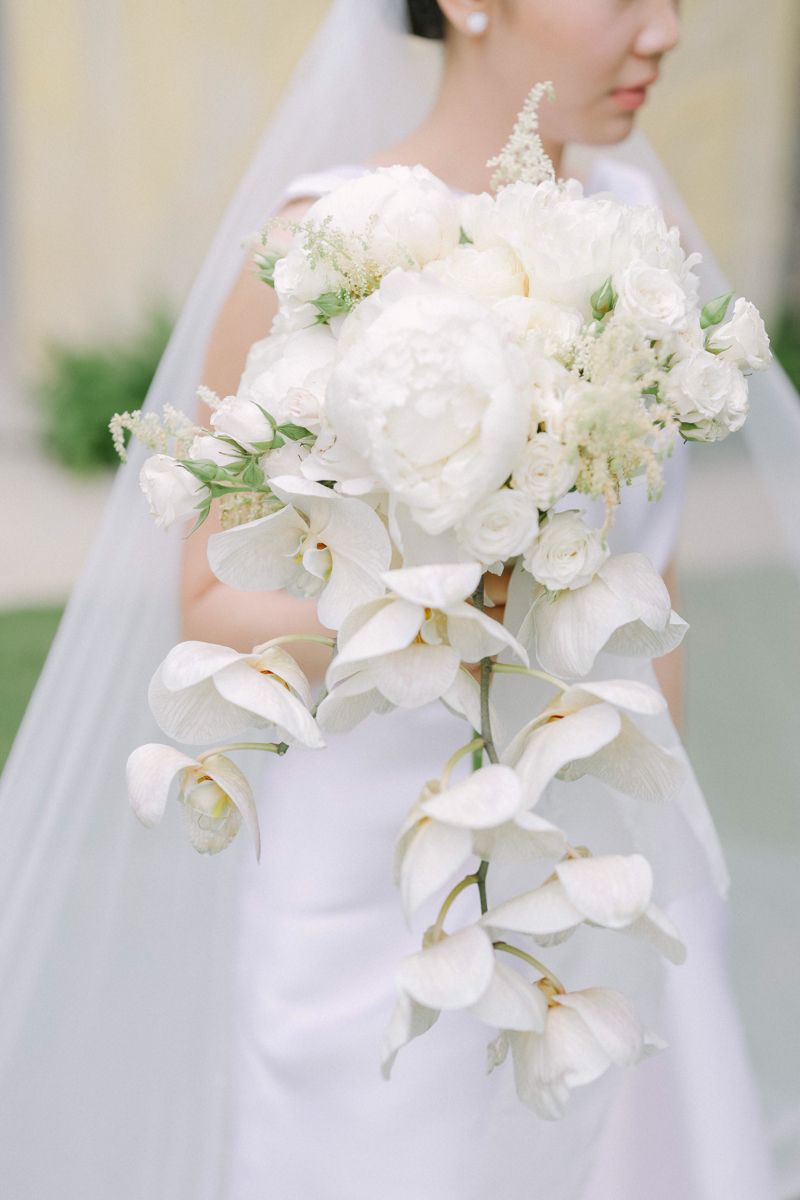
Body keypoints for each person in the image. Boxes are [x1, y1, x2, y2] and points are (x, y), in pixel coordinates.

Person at [0, 2, 795, 1197]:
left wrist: (652, 841)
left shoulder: (637, 232)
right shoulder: (322, 249)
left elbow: (656, 574)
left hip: (598, 875)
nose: (665, 30)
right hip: (373, 907)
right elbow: (209, 597)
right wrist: (461, 602)